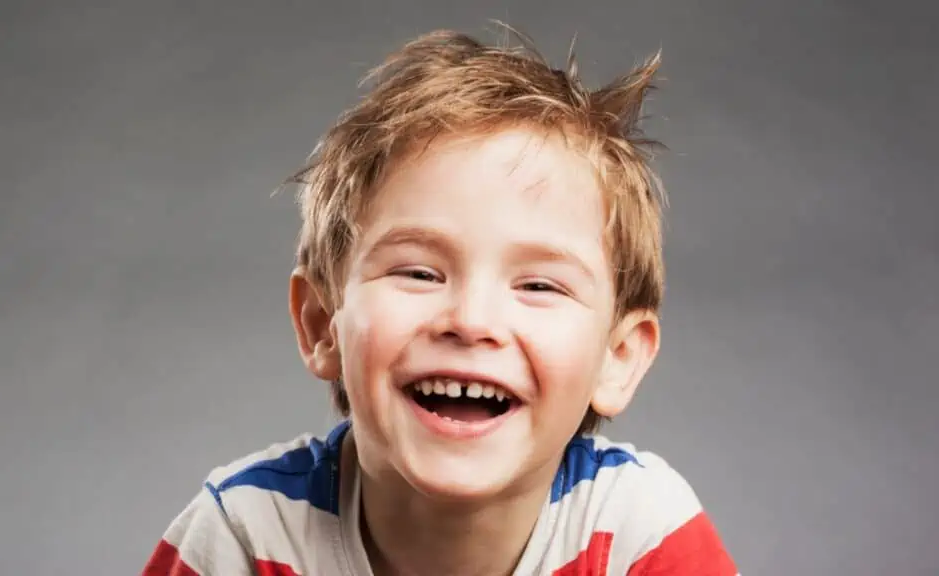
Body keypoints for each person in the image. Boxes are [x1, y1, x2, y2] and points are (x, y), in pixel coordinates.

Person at [142, 23, 738, 576]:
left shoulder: (640, 537)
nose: (472, 321)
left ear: (618, 357)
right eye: (420, 273)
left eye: (538, 285)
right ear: (323, 324)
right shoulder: (246, 534)